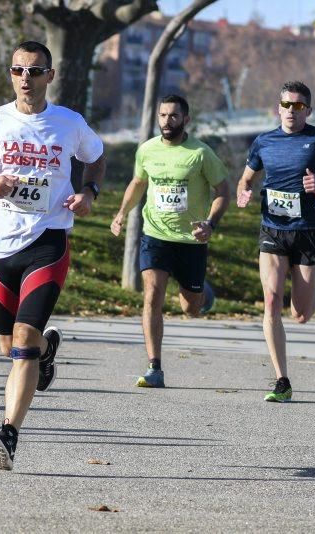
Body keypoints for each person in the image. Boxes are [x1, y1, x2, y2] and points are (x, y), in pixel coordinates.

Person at [0, 41, 107, 471]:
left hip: (48, 239)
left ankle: (9, 433)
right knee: (8, 348)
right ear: (10, 74)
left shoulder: (68, 123)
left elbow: (96, 158)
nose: (26, 78)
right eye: (18, 70)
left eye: (35, 71)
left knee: (22, 341)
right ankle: (44, 356)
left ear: (49, 76)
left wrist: (88, 193)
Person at [110, 94, 229, 389]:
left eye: (173, 116)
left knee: (190, 308)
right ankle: (155, 366)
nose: (167, 121)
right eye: (163, 116)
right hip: (155, 235)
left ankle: (203, 295)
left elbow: (223, 191)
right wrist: (121, 213)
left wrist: (210, 224)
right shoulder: (147, 150)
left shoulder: (200, 153)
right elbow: (138, 183)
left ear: (186, 120)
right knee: (152, 294)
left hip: (191, 240)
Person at [235, 81, 315, 402]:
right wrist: (244, 191)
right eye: (286, 105)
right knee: (270, 300)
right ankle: (282, 380)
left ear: (308, 110)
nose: (291, 111)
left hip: (308, 231)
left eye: (298, 106)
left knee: (301, 315)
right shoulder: (264, 141)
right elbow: (247, 177)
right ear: (277, 108)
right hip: (273, 229)